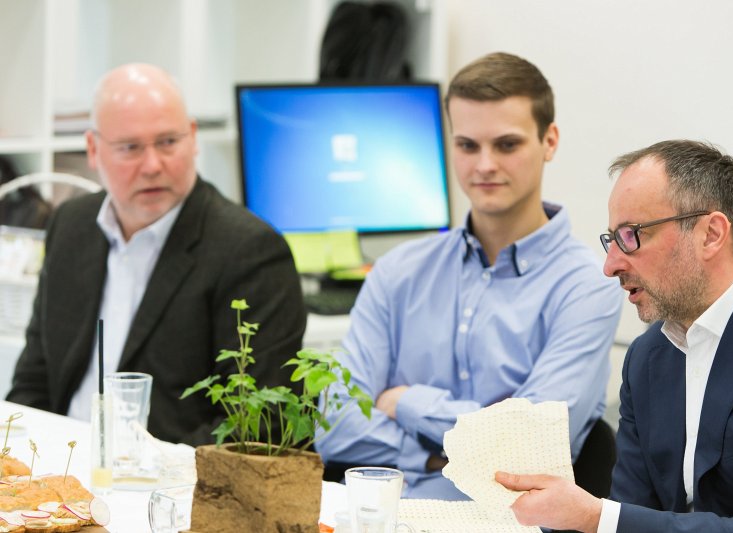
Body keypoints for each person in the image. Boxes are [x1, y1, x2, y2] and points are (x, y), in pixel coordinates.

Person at [315, 52, 622, 499]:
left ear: (549, 141)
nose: (484, 165)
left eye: (507, 145)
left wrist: (406, 402)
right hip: (373, 517)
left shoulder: (588, 287)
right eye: (467, 145)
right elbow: (335, 424)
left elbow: (528, 452)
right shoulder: (398, 272)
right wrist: (439, 456)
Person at [496, 140, 733, 532]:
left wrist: (592, 516)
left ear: (711, 234)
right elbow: (633, 512)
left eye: (631, 236)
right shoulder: (647, 357)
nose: (609, 266)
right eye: (612, 240)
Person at [6, 63, 306, 446]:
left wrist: (144, 470)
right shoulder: (71, 225)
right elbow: (34, 380)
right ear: (94, 150)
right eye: (130, 148)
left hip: (169, 487)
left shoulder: (250, 251)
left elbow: (257, 425)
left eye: (167, 142)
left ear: (193, 137)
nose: (152, 166)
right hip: (64, 471)